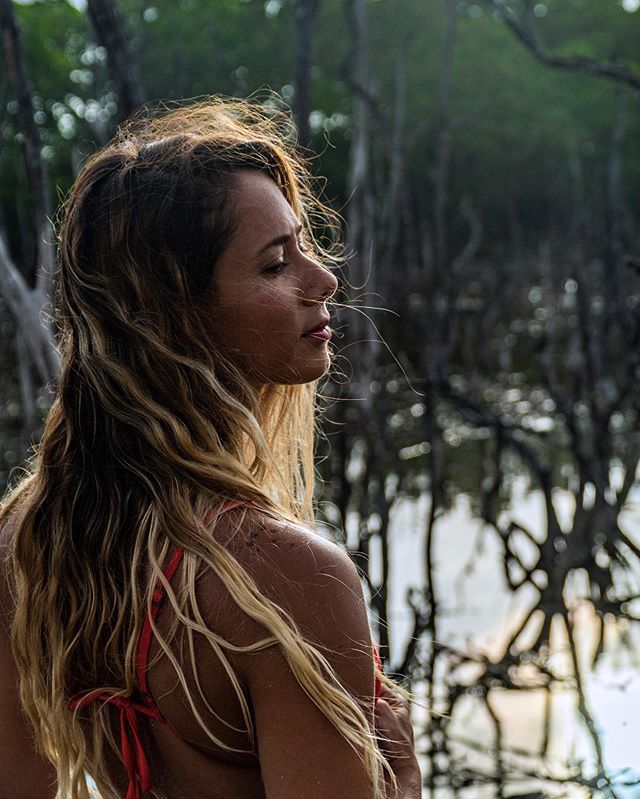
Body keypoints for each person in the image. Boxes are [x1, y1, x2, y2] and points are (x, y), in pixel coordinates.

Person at [0, 98, 421, 799]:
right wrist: (402, 784)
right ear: (176, 319)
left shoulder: (23, 546)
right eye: (275, 264)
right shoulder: (285, 580)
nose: (323, 281)